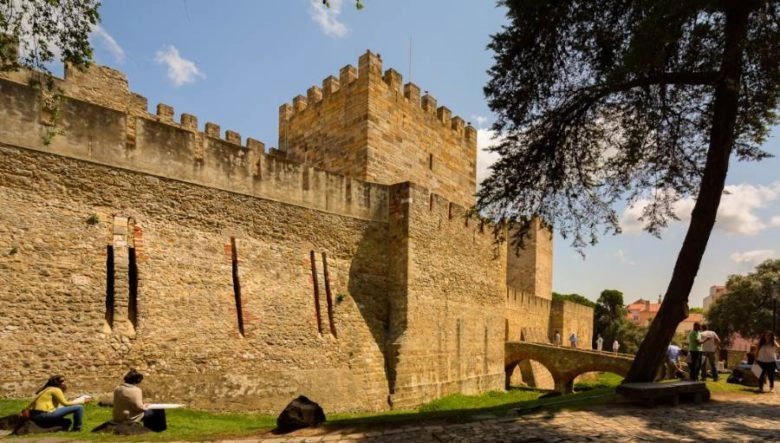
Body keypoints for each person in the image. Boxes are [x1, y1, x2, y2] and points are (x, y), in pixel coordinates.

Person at [25, 375, 90, 431]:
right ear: (57, 382)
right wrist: (83, 401)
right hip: (44, 415)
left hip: (36, 415)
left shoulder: (46, 389)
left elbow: (60, 404)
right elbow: (65, 404)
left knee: (68, 414)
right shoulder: (56, 390)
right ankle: (77, 428)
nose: (64, 383)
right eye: (62, 381)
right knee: (79, 407)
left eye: (64, 381)